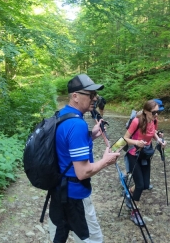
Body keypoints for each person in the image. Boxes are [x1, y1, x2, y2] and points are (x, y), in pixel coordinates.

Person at [49, 74, 120, 243]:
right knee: (93, 240)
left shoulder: (62, 115)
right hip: (76, 196)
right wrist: (105, 161)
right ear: (75, 96)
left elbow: (65, 146)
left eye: (95, 94)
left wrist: (91, 135)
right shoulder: (77, 125)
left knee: (58, 236)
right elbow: (83, 172)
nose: (95, 98)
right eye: (91, 95)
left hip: (58, 191)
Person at [123, 100, 166, 226]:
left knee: (146, 185)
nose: (156, 115)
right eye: (154, 112)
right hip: (133, 155)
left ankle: (129, 193)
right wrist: (136, 143)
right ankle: (134, 212)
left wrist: (160, 141)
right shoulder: (136, 121)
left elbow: (152, 133)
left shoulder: (153, 121)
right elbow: (125, 137)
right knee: (140, 185)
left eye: (158, 112)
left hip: (145, 155)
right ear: (146, 111)